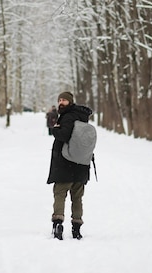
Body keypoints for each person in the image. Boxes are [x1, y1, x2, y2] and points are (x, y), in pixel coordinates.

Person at [46, 91, 93, 240]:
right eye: (59, 99)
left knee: (60, 194)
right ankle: (76, 228)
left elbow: (64, 135)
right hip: (81, 164)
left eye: (64, 100)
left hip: (65, 164)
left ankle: (58, 224)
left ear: (70, 102)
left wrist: (55, 129)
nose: (61, 102)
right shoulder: (82, 117)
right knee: (77, 197)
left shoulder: (67, 117)